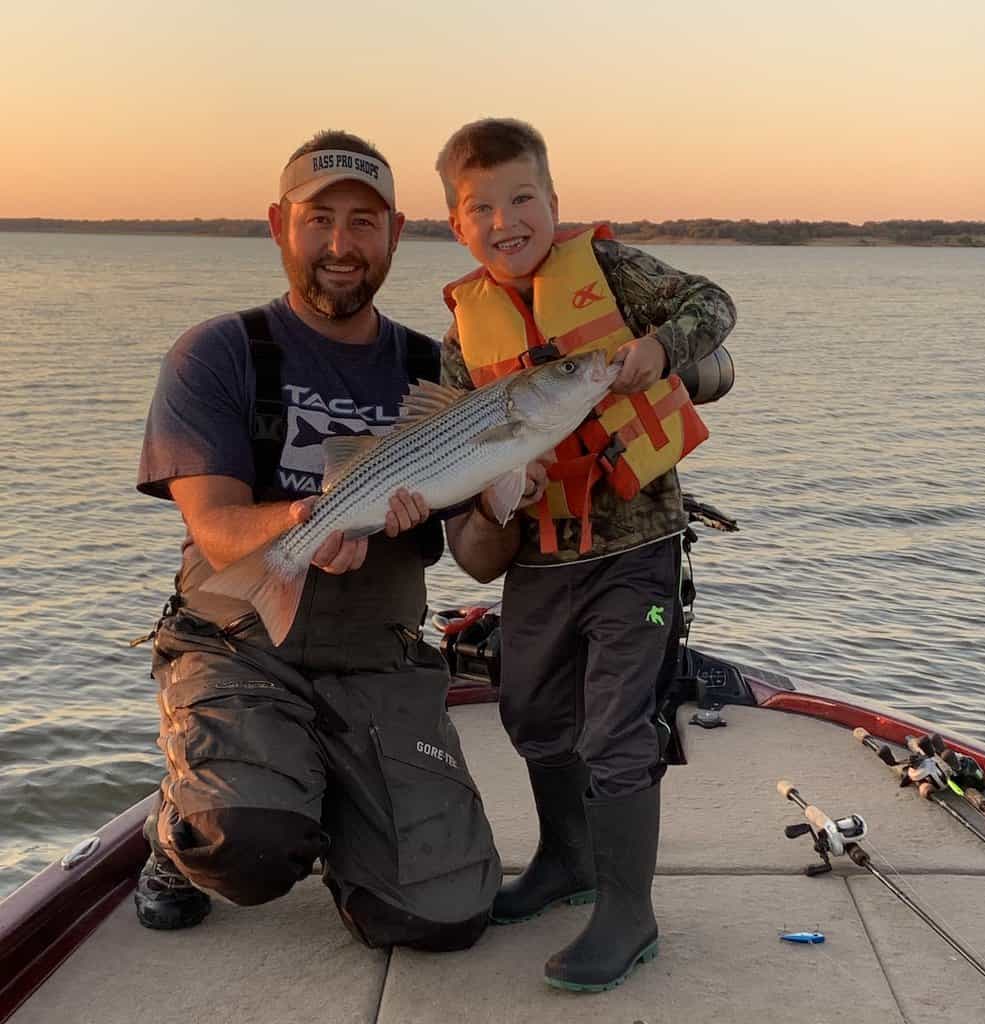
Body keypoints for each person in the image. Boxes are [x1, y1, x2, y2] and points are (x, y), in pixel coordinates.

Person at [134, 130, 500, 951]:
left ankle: (339, 805)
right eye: (319, 219)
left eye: (364, 222)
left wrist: (504, 502)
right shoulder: (220, 352)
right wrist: (309, 521)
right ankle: (172, 835)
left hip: (378, 657)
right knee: (248, 845)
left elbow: (480, 559)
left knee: (443, 917)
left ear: (397, 233)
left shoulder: (435, 366)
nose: (341, 244)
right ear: (278, 224)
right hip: (240, 643)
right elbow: (215, 524)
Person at [436, 118, 737, 991]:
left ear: (553, 202)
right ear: (458, 226)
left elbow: (712, 302)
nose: (507, 220)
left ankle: (628, 912)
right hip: (540, 561)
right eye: (482, 207)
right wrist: (502, 495)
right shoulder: (462, 336)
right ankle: (566, 860)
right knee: (531, 713)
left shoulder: (613, 273)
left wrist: (658, 348)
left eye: (523, 198)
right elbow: (469, 464)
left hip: (636, 551)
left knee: (614, 726)